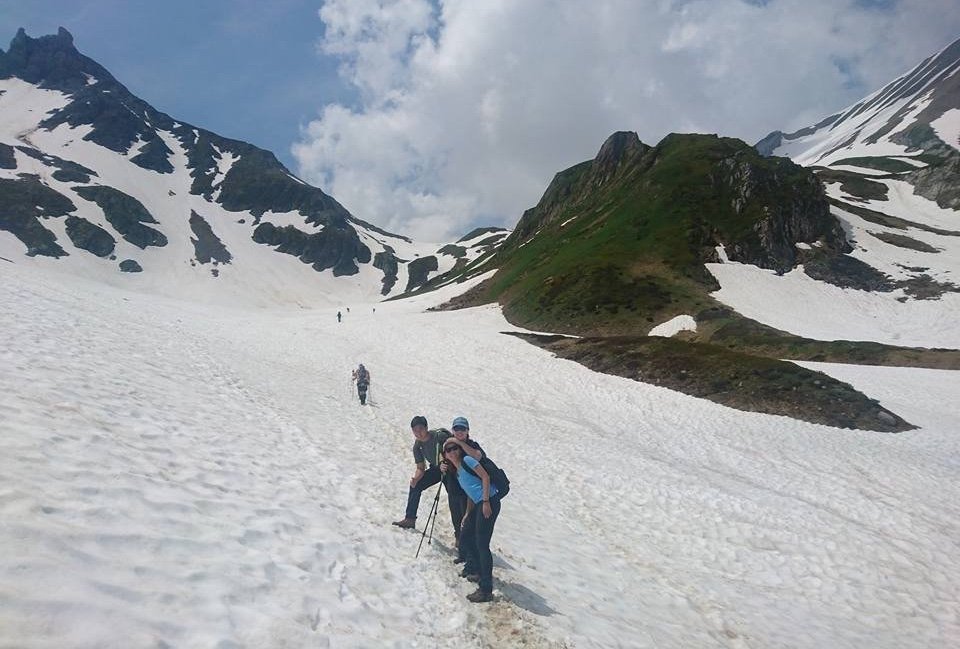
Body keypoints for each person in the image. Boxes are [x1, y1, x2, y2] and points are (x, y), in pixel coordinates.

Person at [443, 434, 501, 603]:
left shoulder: (468, 461)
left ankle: (486, 589)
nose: (452, 452)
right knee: (466, 536)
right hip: (478, 504)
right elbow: (470, 493)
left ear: (459, 450)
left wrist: (485, 502)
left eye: (454, 448)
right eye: (448, 450)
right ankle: (477, 570)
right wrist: (468, 514)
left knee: (482, 543)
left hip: (488, 501)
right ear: (445, 454)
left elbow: (485, 477)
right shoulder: (458, 471)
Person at [392, 416, 454, 529]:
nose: (418, 433)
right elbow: (420, 467)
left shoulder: (440, 436)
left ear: (426, 427)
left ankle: (460, 534)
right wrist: (416, 479)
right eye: (415, 430)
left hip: (451, 469)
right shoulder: (418, 446)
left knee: (454, 498)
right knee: (415, 486)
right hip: (436, 469)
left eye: (420, 429)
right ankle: (410, 519)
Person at [440, 416, 485, 565]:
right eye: (456, 429)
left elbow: (478, 457)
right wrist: (442, 465)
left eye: (462, 429)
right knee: (457, 521)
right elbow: (443, 458)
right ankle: (463, 553)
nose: (459, 432)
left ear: (467, 431)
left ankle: (471, 558)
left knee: (467, 525)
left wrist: (458, 442)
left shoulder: (472, 445)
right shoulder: (448, 445)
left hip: (469, 493)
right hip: (454, 489)